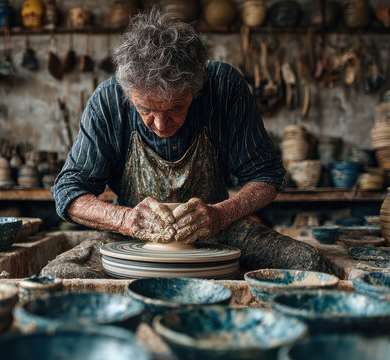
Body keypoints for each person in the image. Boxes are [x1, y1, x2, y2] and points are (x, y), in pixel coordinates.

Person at [43, 9, 326, 279]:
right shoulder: (108, 100)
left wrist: (220, 214)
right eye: (145, 110)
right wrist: (125, 220)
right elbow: (68, 191)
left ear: (196, 87)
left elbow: (266, 176)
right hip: (131, 234)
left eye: (175, 108)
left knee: (308, 263)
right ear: (130, 94)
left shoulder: (224, 87)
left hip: (216, 228)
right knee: (58, 274)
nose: (160, 124)